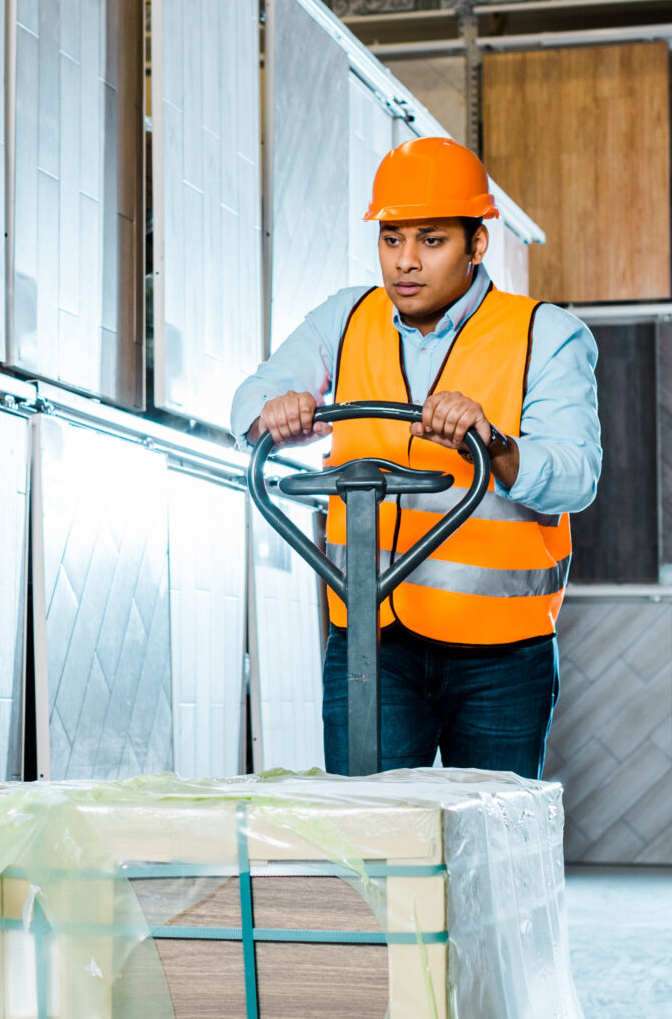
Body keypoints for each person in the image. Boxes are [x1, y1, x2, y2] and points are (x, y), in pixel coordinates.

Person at [232, 137, 600, 778]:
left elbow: (575, 476)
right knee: (369, 841)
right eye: (392, 238)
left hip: (501, 655)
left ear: (476, 244)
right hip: (372, 641)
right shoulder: (344, 318)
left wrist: (491, 442)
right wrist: (280, 413)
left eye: (431, 241)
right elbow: (250, 404)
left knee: (487, 849)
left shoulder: (546, 333)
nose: (406, 262)